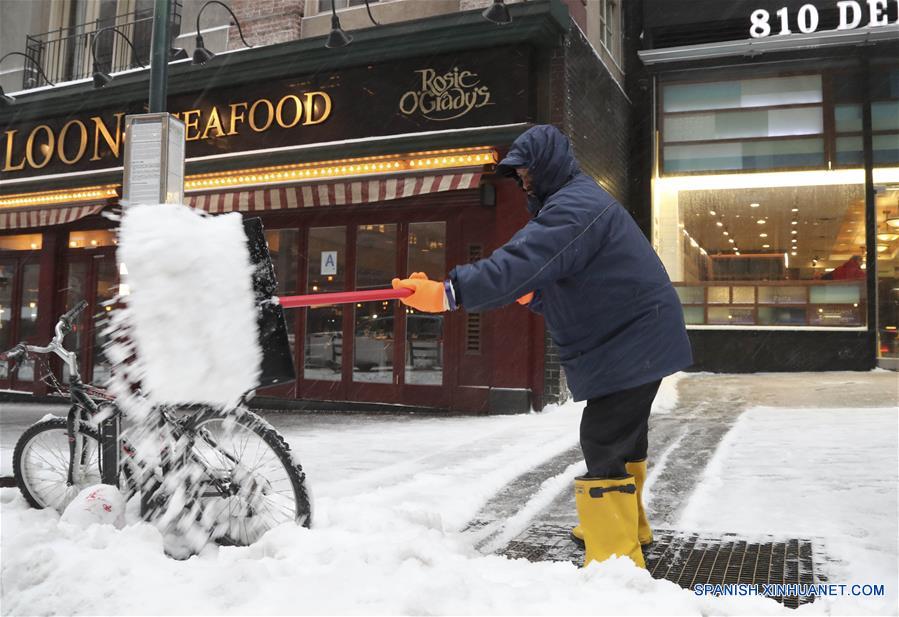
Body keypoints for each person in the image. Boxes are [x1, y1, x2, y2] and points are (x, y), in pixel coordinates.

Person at [392, 125, 692, 569]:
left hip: (633, 339)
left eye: (528, 170)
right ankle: (624, 529)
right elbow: (583, 283)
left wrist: (449, 292)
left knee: (603, 438)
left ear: (550, 163)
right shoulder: (573, 202)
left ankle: (615, 558)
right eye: (519, 174)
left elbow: (523, 260)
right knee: (623, 440)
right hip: (635, 337)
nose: (525, 180)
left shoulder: (575, 207)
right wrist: (540, 296)